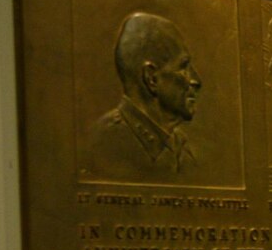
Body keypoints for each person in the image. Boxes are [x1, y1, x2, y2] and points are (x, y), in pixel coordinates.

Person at [86, 12, 205, 184]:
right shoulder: (100, 146)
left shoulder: (185, 151)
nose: (196, 81)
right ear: (152, 78)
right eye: (183, 67)